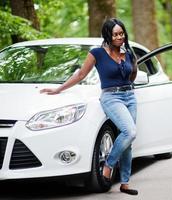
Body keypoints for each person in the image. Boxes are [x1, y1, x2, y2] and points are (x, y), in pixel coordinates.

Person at [40, 18, 138, 195]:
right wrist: (58, 89)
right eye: (115, 34)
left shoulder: (128, 52)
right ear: (108, 35)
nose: (119, 37)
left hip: (130, 96)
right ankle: (109, 164)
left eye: (122, 33)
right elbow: (81, 75)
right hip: (111, 97)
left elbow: (133, 73)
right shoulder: (97, 53)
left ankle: (125, 183)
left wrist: (128, 85)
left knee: (128, 142)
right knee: (129, 131)